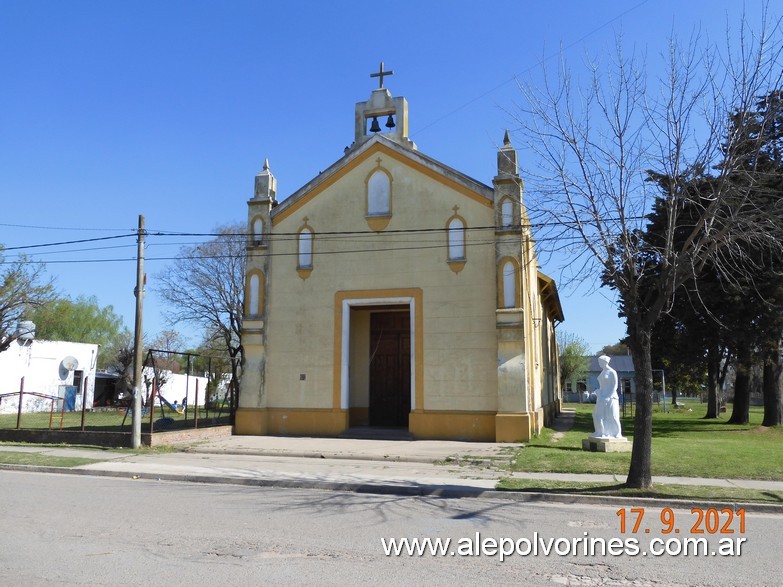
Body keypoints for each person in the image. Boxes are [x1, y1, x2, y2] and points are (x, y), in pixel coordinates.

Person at [590, 355, 623, 439]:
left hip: (611, 397)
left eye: (600, 361)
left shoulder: (612, 372)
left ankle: (617, 433)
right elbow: (602, 385)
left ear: (605, 362)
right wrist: (599, 392)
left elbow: (615, 386)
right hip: (601, 396)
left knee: (613, 415)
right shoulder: (603, 372)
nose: (599, 363)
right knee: (598, 415)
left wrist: (609, 396)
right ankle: (600, 432)